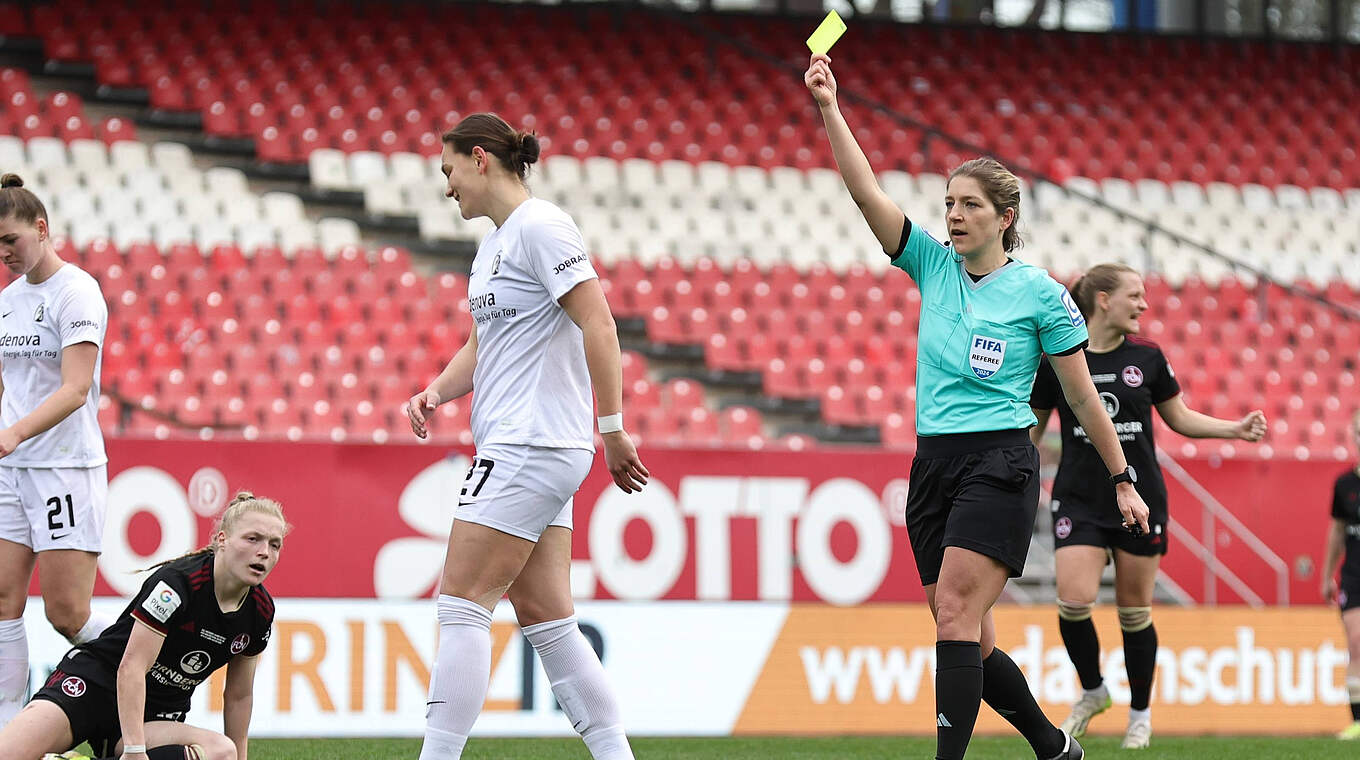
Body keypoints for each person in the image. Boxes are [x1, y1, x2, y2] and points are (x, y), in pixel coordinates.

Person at [805, 54, 1148, 760]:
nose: (954, 217)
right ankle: (1054, 747)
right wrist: (830, 109)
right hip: (933, 464)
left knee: (955, 616)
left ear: (1005, 217)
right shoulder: (932, 265)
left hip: (1001, 460)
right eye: (949, 206)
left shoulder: (1042, 295)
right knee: (971, 634)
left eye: (969, 205)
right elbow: (866, 194)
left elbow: (1083, 394)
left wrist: (1122, 478)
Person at [404, 112, 649, 760]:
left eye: (449, 169)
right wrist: (436, 390)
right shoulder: (494, 248)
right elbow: (485, 344)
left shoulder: (541, 227)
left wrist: (615, 429)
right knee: (550, 622)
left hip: (528, 444)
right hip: (537, 447)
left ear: (480, 159)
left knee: (461, 604)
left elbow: (599, 322)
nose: (447, 186)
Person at [1029, 263, 1267, 749]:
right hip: (1078, 497)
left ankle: (1139, 713)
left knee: (1133, 613)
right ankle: (1093, 691)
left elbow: (1178, 418)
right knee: (1073, 602)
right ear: (1103, 300)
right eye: (1134, 296)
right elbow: (1031, 430)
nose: (1143, 305)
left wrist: (1234, 429)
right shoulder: (1059, 358)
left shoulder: (1149, 358)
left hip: (1139, 498)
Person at [0, 491, 284, 760]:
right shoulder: (178, 584)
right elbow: (132, 667)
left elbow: (239, 695)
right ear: (222, 539)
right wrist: (135, 751)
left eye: (274, 544)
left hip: (154, 716)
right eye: (253, 539)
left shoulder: (260, 611)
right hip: (95, 685)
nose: (264, 552)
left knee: (223, 752)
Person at [0, 174, 114, 729]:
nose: (3, 254)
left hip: (64, 469)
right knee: (2, 601)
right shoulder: (7, 301)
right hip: (11, 470)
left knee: (67, 616)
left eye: (11, 241)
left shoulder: (77, 292)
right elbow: (9, 385)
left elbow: (75, 388)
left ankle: (140, 685)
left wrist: (14, 433)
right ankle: (6, 728)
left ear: (41, 230)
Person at [1323, 410, 1360, 740]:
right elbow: (1336, 532)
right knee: (1356, 643)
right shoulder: (1345, 484)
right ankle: (1358, 721)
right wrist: (1326, 575)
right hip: (1353, 576)